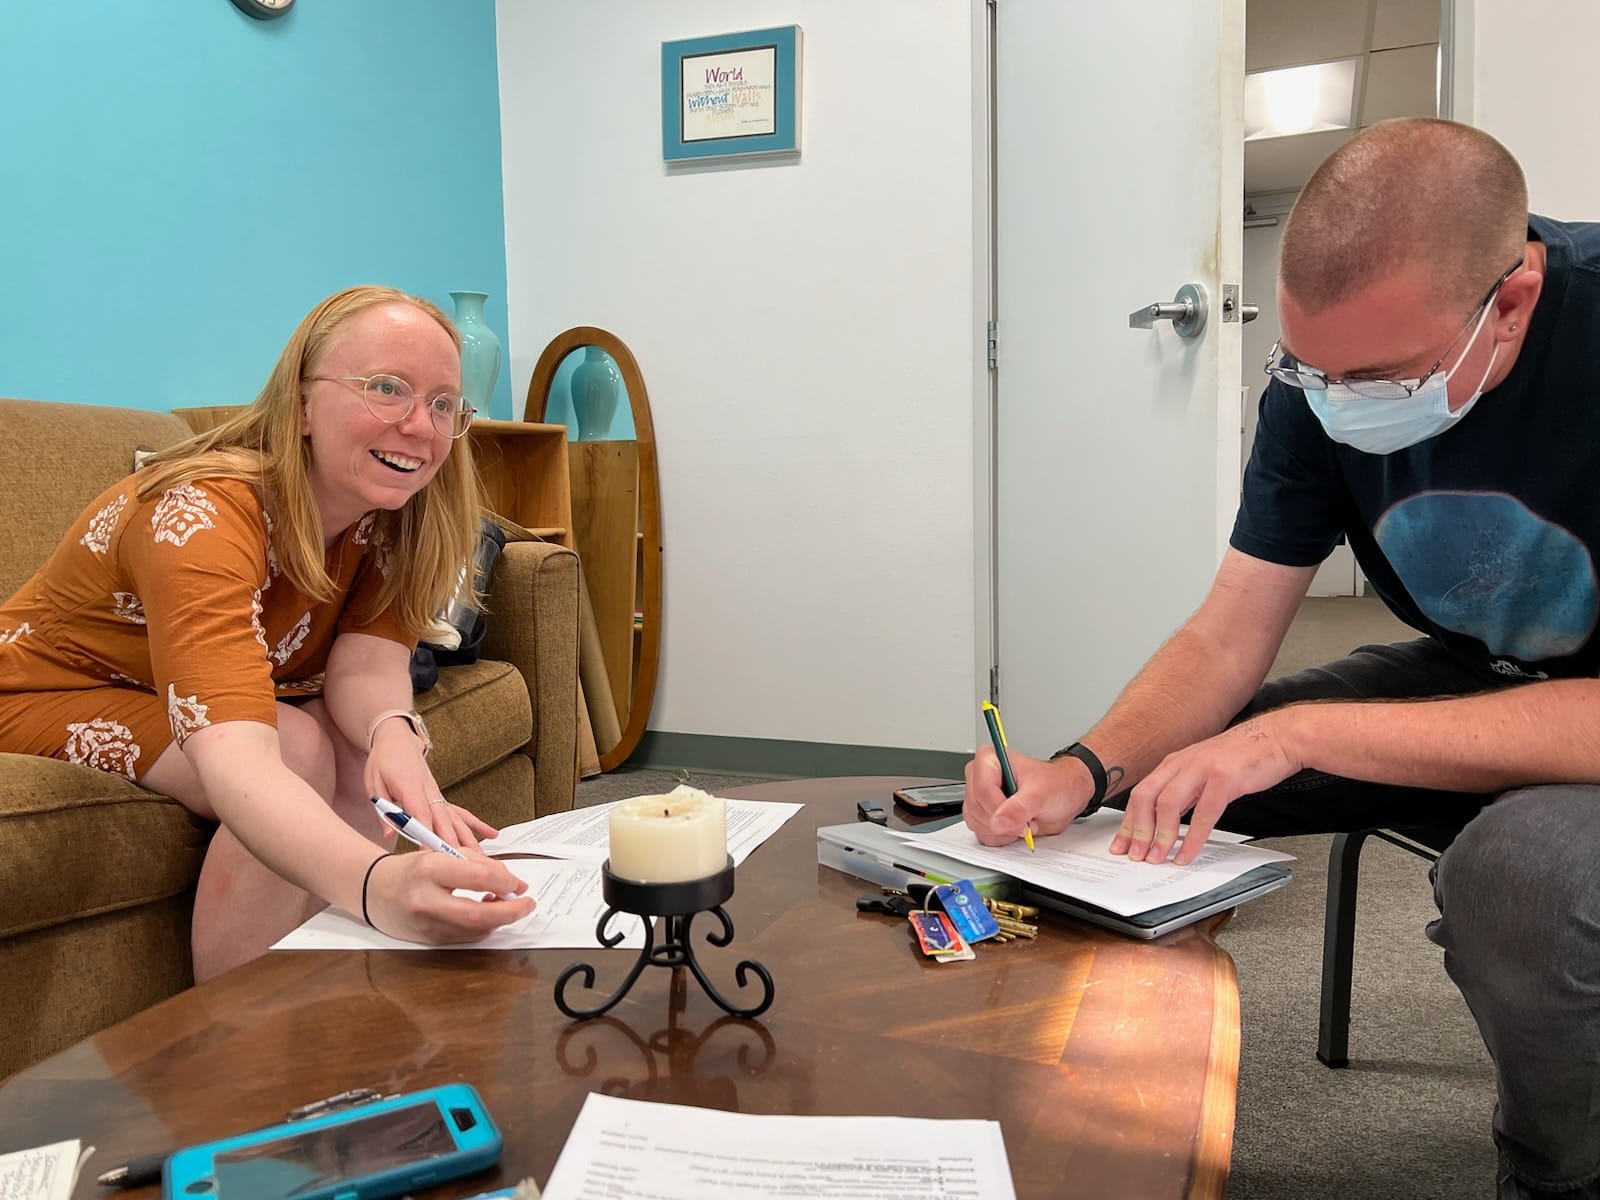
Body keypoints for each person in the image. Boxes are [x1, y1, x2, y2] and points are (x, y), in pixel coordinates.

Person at [964, 118, 1600, 1198]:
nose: (1335, 398)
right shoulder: (1320, 389)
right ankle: (1061, 1120)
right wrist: (1083, 769)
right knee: (1172, 783)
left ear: (1512, 304)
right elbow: (1227, 632)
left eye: (1380, 377)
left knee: (1520, 879)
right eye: (1312, 368)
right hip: (1481, 676)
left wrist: (1304, 732)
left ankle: (1556, 1181)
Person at [0, 285, 535, 980]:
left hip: (166, 689)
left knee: (356, 742)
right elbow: (240, 758)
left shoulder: (399, 515)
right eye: (386, 388)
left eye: (442, 404)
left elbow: (368, 665)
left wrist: (394, 731)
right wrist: (380, 885)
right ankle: (238, 1027)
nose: (420, 426)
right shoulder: (199, 517)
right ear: (303, 403)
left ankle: (328, 982)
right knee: (296, 749)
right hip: (41, 689)